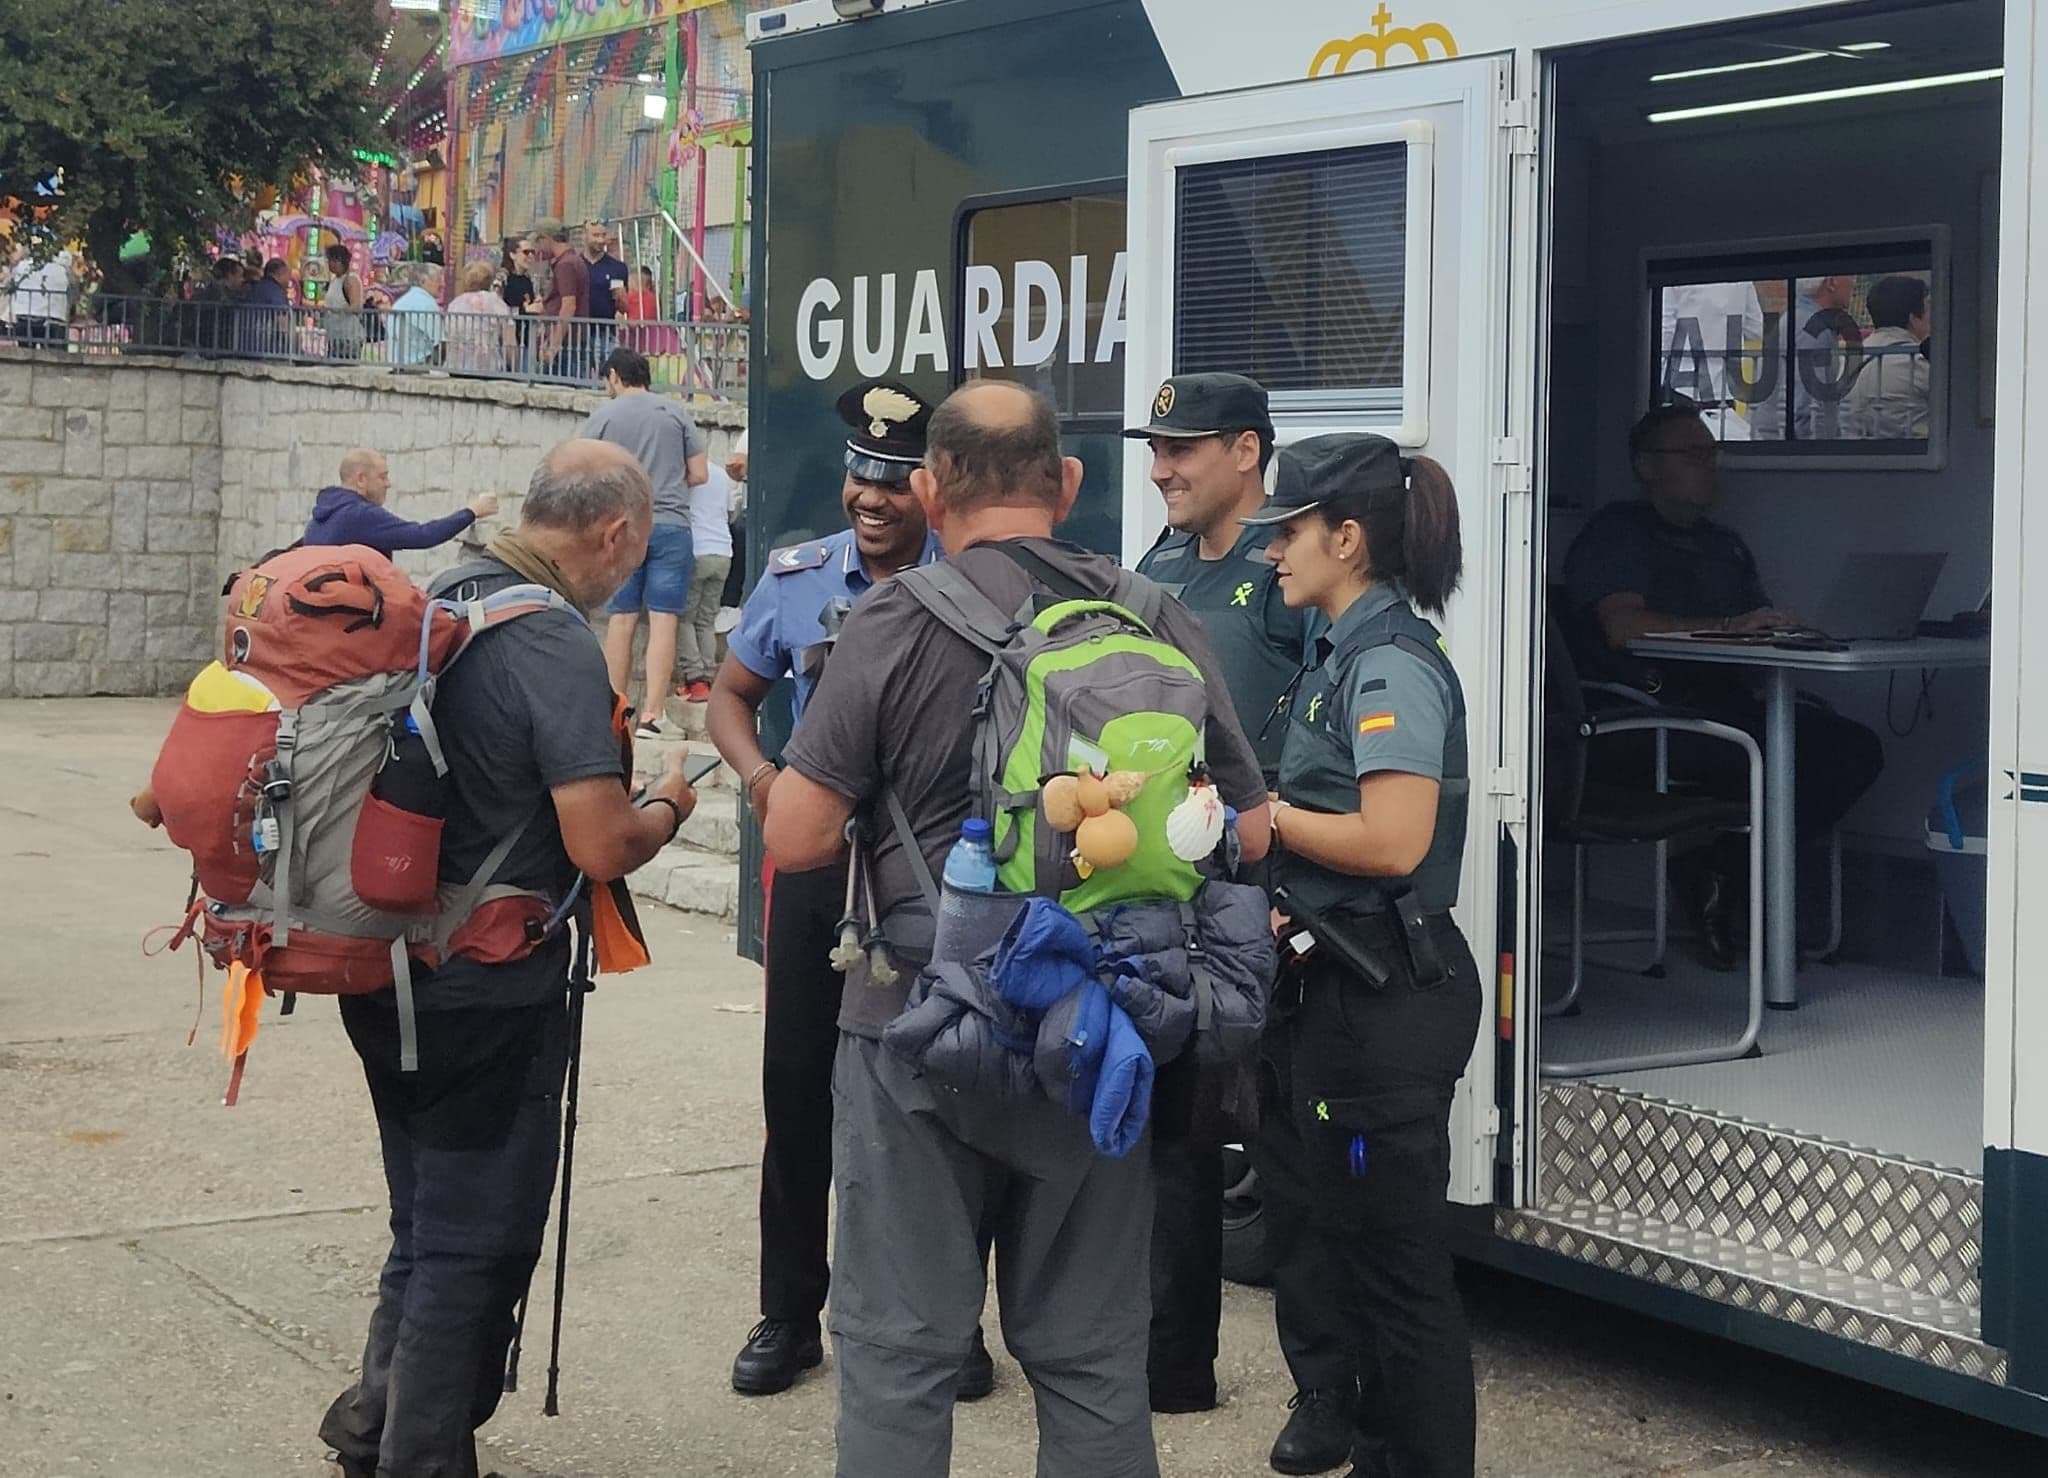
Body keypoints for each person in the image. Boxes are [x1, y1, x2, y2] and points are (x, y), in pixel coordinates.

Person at [759, 381, 1270, 1477]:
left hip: (914, 1021)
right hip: (1097, 1032)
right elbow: (1252, 826)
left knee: (899, 1359)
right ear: (1067, 483)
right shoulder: (1152, 610)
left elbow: (796, 837)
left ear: (931, 488)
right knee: (1092, 1362)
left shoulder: (890, 618)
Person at [315, 438, 698, 1478]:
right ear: (613, 533)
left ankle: (374, 1429)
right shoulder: (550, 643)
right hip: (486, 992)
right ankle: (420, 1456)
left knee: (423, 1225)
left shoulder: (441, 600)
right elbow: (600, 844)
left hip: (382, 966)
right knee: (473, 1247)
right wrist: (668, 804)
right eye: (639, 547)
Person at [704, 377, 961, 1400]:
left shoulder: (967, 584)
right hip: (818, 865)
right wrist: (763, 780)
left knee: (931, 1091)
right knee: (798, 1087)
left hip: (926, 872)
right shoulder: (798, 575)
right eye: (861, 471)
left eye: (894, 478)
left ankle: (940, 1316)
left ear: (929, 487)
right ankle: (788, 1312)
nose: (871, 495)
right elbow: (731, 696)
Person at [1245, 433, 1483, 1478]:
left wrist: (1267, 820)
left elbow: (1392, 841)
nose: (1271, 552)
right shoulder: (1340, 650)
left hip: (1383, 1007)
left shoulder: (1387, 663)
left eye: (1288, 532)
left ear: (1346, 539)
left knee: (1395, 1277)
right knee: (1354, 1256)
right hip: (1342, 991)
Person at [1124, 370, 1315, 1415]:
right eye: (1155, 449)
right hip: (1170, 883)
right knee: (1181, 1129)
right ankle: (1173, 1365)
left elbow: (1322, 728)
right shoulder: (1156, 562)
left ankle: (1325, 1389)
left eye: (1180, 449)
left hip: (1265, 885)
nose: (1160, 469)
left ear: (1246, 451)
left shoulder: (1286, 562)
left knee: (1281, 1131)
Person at [1560, 402, 1883, 968]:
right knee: (1777, 757)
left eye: (1712, 453)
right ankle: (1736, 891)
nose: (1708, 466)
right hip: (1645, 713)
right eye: (1692, 454)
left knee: (1851, 748)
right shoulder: (1617, 534)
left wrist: (1780, 631)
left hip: (1729, 703)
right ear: (1646, 466)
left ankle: (1720, 871)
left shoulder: (1725, 545)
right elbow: (1623, 627)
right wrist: (1731, 627)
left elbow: (1748, 629)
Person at [584, 347, 710, 738]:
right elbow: (700, 473)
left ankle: (613, 712)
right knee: (664, 619)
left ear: (614, 376)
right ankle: (653, 716)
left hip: (621, 527)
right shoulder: (675, 413)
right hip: (670, 524)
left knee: (620, 619)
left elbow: (582, 471)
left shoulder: (604, 417)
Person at [305, 448, 500, 556]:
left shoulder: (321, 516)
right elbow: (423, 536)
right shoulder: (360, 515)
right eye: (383, 477)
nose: (388, 484)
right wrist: (471, 512)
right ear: (361, 479)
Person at [676, 449, 736, 704]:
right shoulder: (721, 475)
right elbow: (732, 513)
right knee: (707, 620)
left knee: (685, 618)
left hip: (697, 550)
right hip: (723, 552)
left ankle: (695, 679)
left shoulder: (683, 475)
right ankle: (710, 676)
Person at [1844, 273, 1933, 440]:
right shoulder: (1920, 364)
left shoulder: (1845, 360)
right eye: (1929, 309)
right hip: (1915, 452)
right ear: (1913, 318)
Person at [531, 219, 590, 380]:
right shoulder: (574, 260)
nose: (538, 249)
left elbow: (568, 305)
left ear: (546, 238)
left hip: (565, 344)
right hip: (572, 340)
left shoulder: (565, 265)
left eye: (538, 242)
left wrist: (554, 344)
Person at [445, 261, 515, 375]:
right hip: (487, 367)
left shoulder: (455, 303)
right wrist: (516, 369)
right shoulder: (496, 301)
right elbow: (510, 341)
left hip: (457, 366)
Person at [581, 220, 629, 371]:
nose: (600, 240)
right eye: (595, 235)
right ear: (585, 235)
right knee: (580, 374)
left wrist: (621, 299)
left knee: (607, 373)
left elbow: (623, 308)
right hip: (579, 333)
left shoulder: (617, 268)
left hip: (606, 332)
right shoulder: (575, 264)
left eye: (603, 235)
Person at [7, 243, 74, 350]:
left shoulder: (23, 266)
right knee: (55, 354)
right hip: (54, 316)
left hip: (25, 314)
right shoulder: (62, 269)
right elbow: (72, 290)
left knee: (25, 351)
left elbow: (10, 286)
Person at [388, 264, 446, 368]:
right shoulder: (427, 303)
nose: (443, 284)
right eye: (438, 280)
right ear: (423, 281)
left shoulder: (403, 301)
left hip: (395, 362)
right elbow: (439, 342)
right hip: (418, 364)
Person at [323, 243, 367, 362]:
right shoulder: (334, 281)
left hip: (349, 336)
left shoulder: (351, 279)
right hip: (334, 334)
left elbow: (356, 306)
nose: (328, 264)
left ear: (338, 261)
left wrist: (338, 311)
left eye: (330, 260)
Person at [500, 236, 538, 371]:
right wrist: (524, 310)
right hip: (507, 340)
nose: (530, 256)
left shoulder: (528, 279)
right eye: (526, 252)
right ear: (512, 255)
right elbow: (496, 306)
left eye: (533, 252)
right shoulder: (503, 277)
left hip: (526, 338)